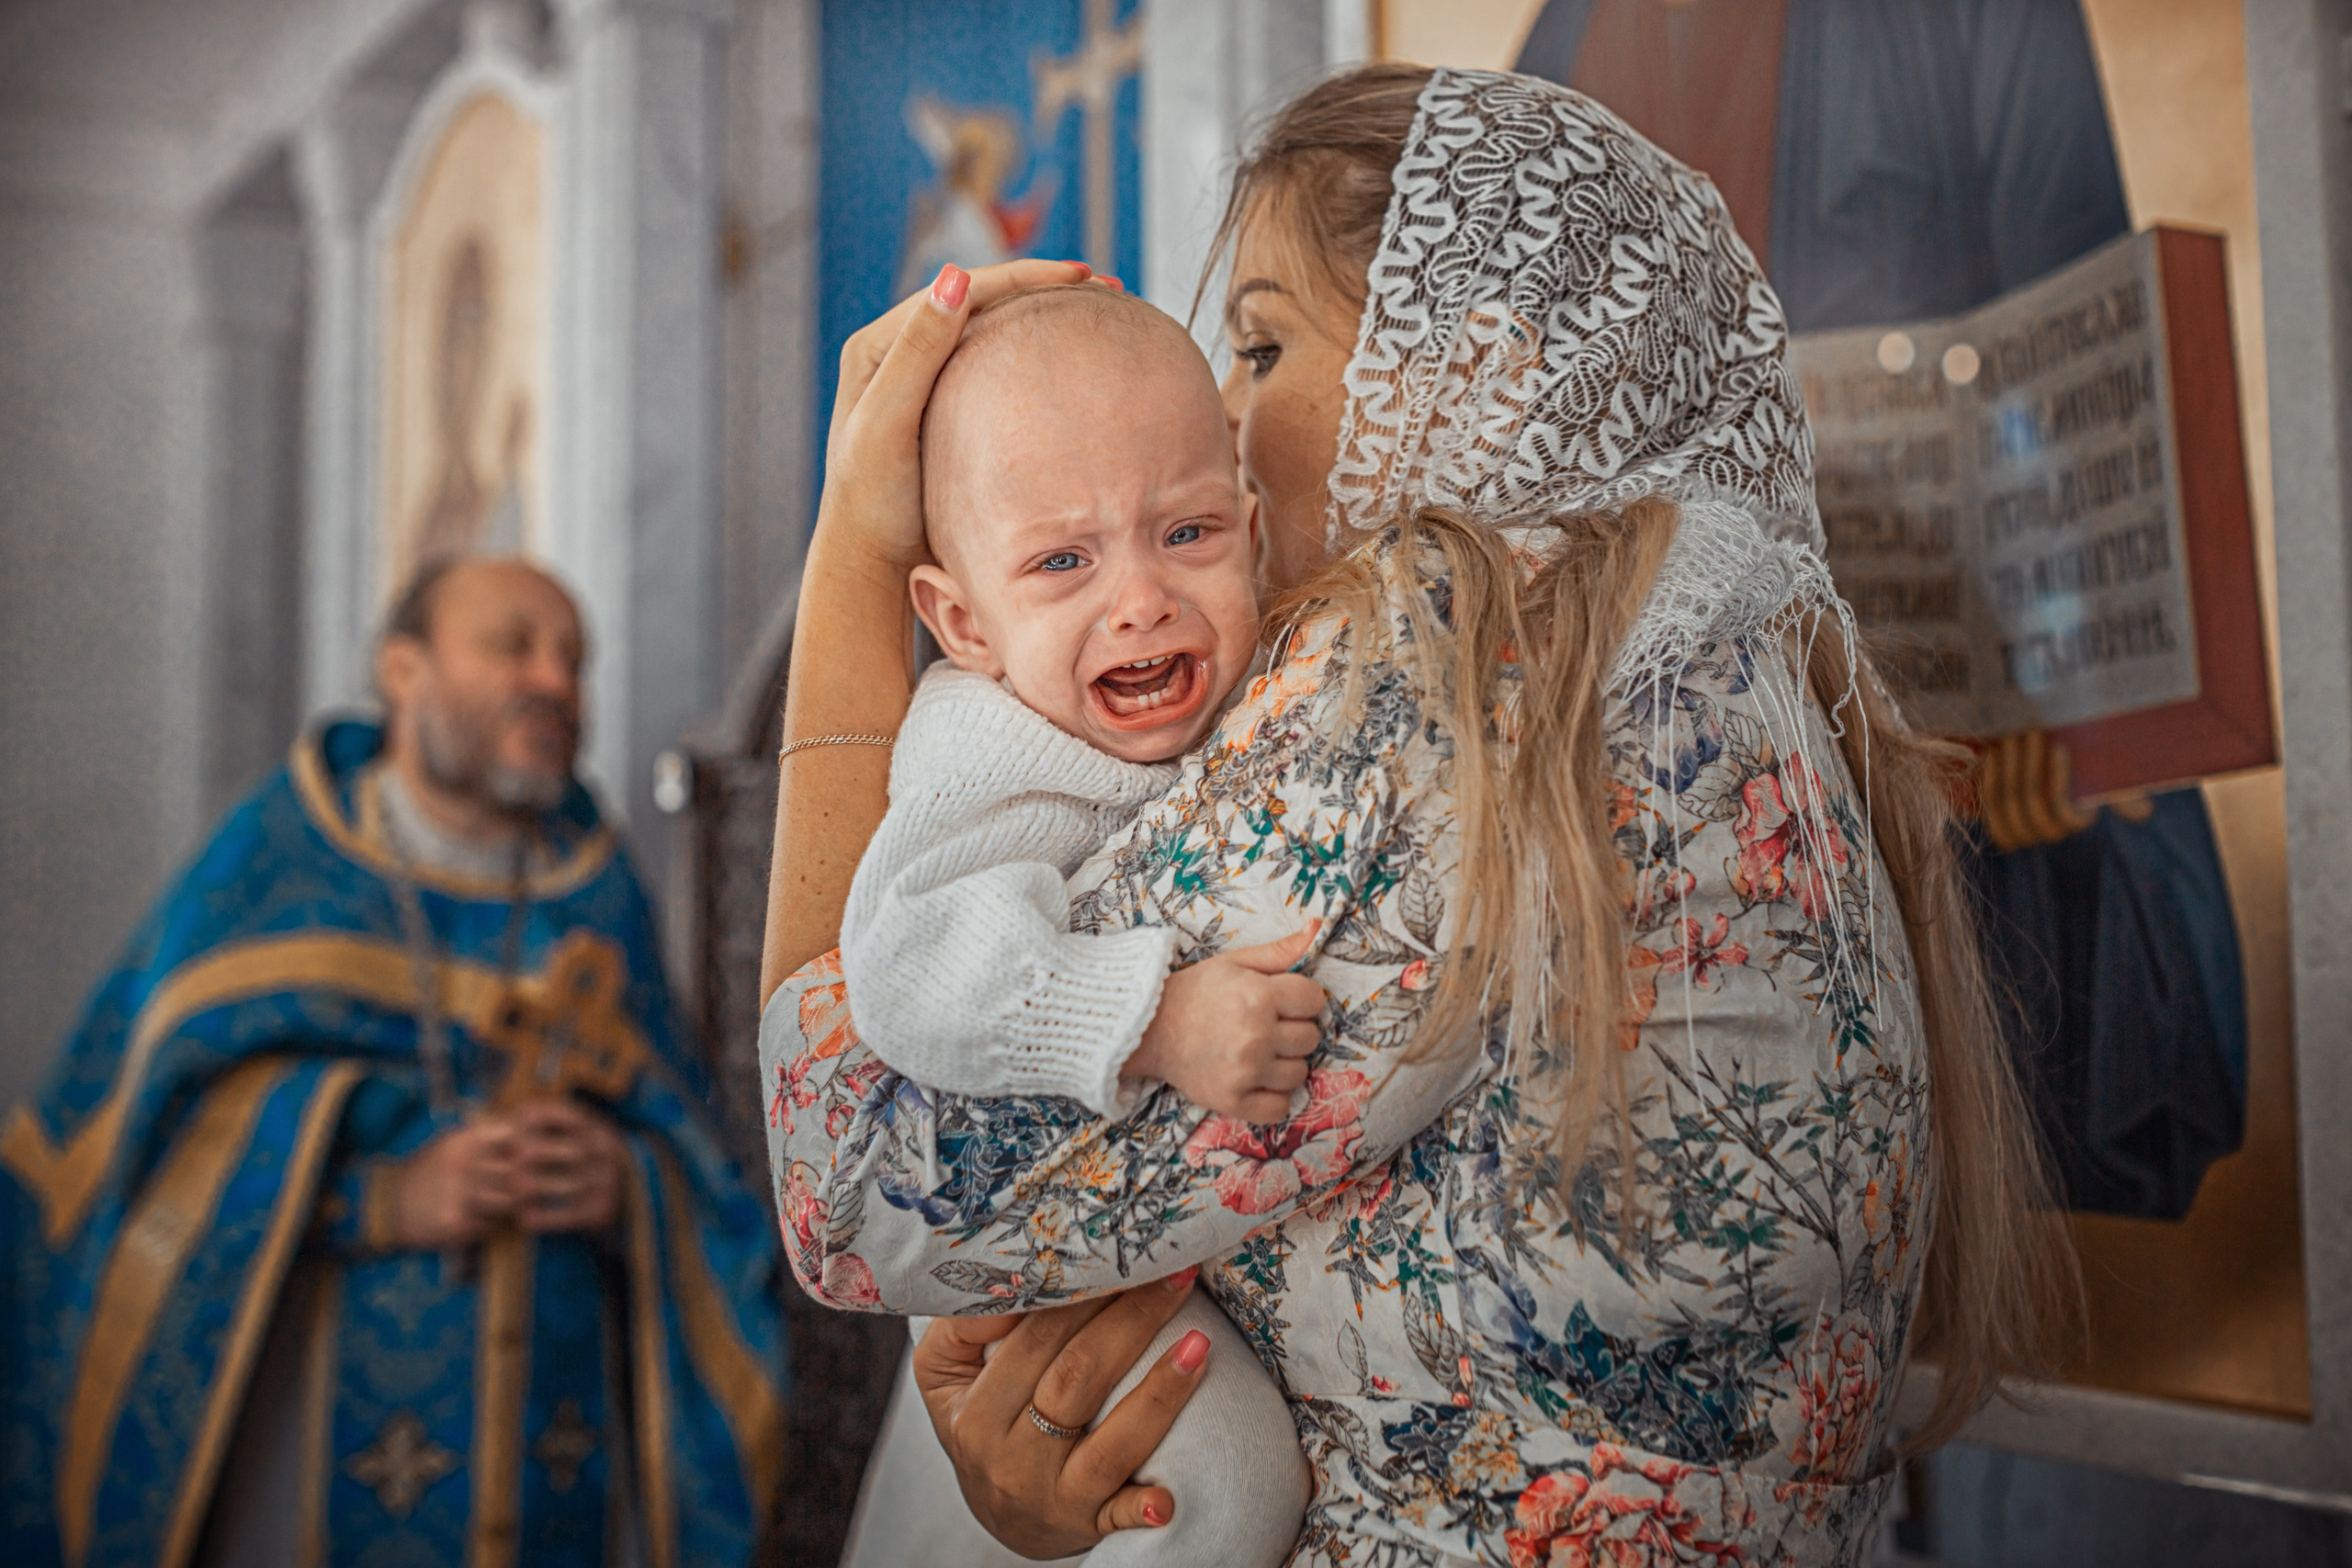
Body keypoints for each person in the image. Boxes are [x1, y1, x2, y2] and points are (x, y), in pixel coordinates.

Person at [759, 64, 2064, 1568]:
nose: (1226, 430)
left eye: (1259, 346)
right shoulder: (1730, 655)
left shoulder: (1454, 649)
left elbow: (850, 1173)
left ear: (1481, 369)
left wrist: (856, 552)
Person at [1515, 0, 2253, 1220]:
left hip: (1949, 708)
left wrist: (2073, 723)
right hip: (1638, 747)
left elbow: (2079, 373)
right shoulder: (1572, 37)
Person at [0, 557, 785, 1567]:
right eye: (513, 645)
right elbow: (129, 1163)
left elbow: (698, 1165)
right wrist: (376, 1198)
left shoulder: (600, 895)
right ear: (402, 670)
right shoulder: (276, 863)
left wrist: (627, 1190)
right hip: (290, 1472)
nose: (554, 681)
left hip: (560, 1470)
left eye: (574, 659)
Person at [834, 282, 1317, 1565]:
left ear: (1254, 530)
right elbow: (907, 960)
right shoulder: (988, 748)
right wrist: (1149, 1013)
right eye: (1063, 558)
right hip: (1045, 1312)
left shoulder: (1262, 680)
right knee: (1227, 1481)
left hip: (1161, 1257)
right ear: (962, 622)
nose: (1142, 597)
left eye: (1190, 531)